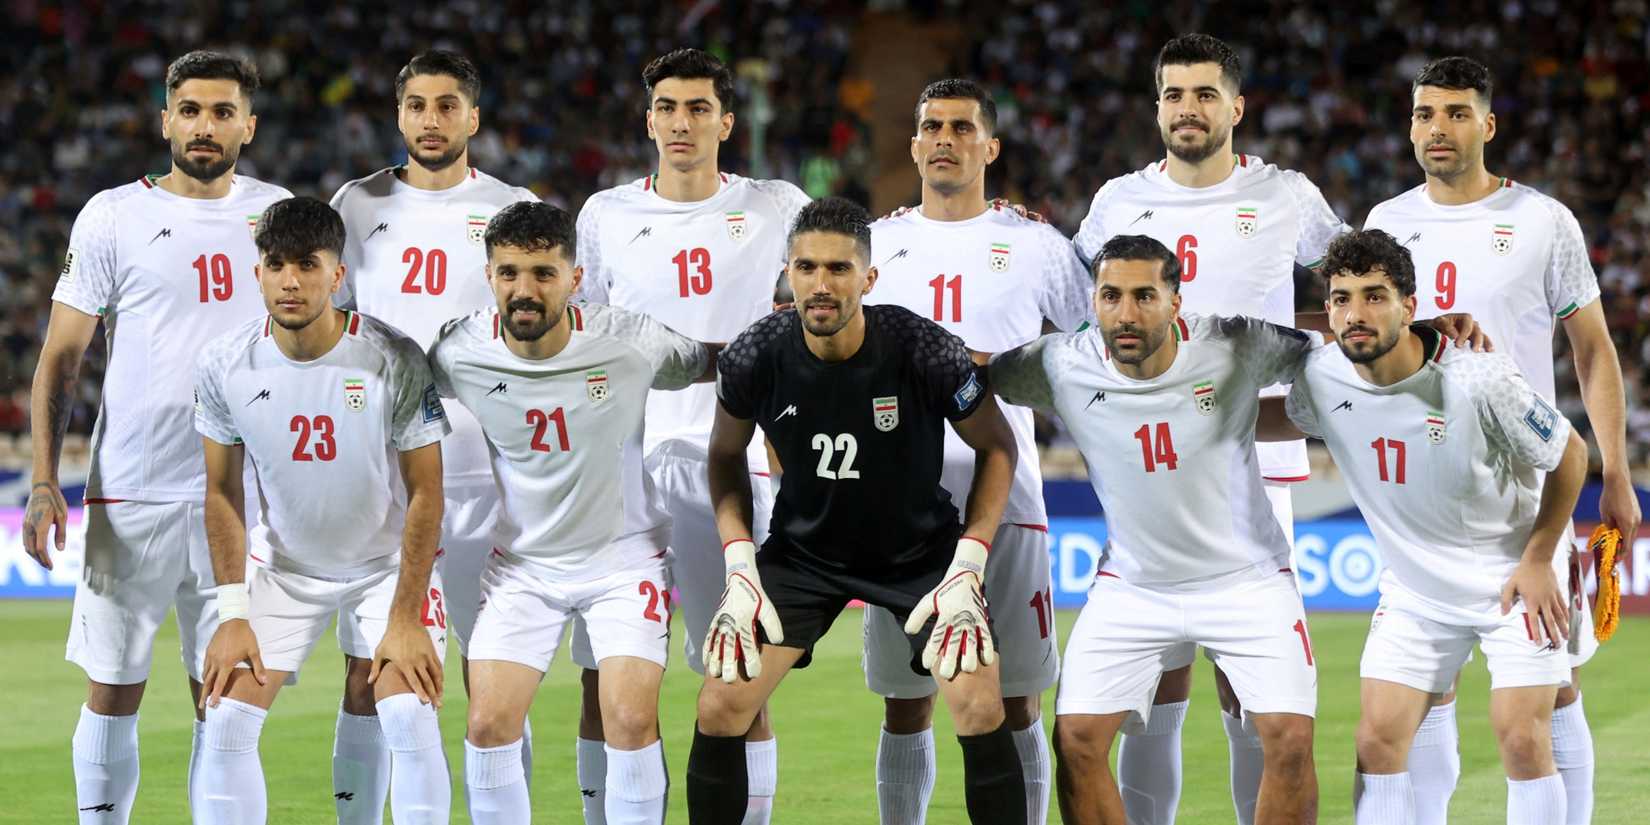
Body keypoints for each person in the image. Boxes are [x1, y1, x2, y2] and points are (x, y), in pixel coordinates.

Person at [1071, 34, 1348, 825]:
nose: (1187, 109)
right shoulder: (1118, 201)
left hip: (1255, 461)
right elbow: (1079, 311)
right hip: (1146, 466)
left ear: (1236, 106)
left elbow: (1353, 291)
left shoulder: (1287, 194)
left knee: (1251, 689)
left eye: (1203, 94)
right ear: (1156, 105)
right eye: (1172, 94)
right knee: (1152, 679)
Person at [686, 198, 1026, 825]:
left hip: (921, 557)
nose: (821, 284)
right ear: (788, 272)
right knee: (720, 705)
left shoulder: (923, 349)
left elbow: (997, 446)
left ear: (868, 279)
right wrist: (739, 565)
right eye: (807, 267)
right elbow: (724, 457)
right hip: (802, 557)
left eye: (839, 269)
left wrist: (968, 565)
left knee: (979, 702)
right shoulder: (752, 357)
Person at [1363, 56, 1639, 825]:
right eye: (1423, 113)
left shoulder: (1542, 220)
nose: (1436, 128)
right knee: (1425, 695)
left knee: (1551, 694)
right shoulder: (1386, 221)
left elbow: (1592, 350)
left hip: (1526, 494)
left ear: (1488, 124)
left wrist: (1615, 471)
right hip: (1419, 491)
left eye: (1455, 113)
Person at [21, 50, 291, 824]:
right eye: (192, 109)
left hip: (240, 497)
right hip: (130, 489)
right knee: (111, 689)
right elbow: (60, 359)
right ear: (165, 118)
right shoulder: (113, 214)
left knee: (230, 705)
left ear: (249, 125)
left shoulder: (280, 215)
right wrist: (46, 480)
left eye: (223, 111)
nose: (206, 125)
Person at [990, 234, 1319, 825]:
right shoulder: (1061, 362)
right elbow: (973, 374)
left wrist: (1429, 333)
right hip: (1133, 587)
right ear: (1092, 300)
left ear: (1175, 299)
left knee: (1289, 739)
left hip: (1247, 582)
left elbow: (1336, 352)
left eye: (1145, 296)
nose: (1126, 314)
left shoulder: (1233, 344)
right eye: (1110, 296)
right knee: (1078, 741)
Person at [1272, 228, 1587, 824]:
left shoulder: (1479, 378)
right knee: (1377, 741)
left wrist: (1541, 557)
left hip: (1513, 576)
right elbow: (1283, 419)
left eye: (1374, 296)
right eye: (1341, 298)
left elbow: (1570, 453)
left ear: (1410, 307)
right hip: (1417, 590)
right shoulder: (1321, 375)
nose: (1354, 314)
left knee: (1521, 737)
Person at [572, 47, 809, 824]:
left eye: (698, 108)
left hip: (732, 470)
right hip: (625, 474)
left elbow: (852, 263)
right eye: (668, 108)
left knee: (739, 677)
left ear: (727, 121)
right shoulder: (606, 215)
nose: (681, 122)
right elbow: (587, 339)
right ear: (648, 120)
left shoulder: (775, 204)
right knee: (602, 681)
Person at [428, 201, 717, 825]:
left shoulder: (629, 341)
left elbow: (712, 361)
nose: (523, 291)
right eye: (508, 274)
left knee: (631, 718)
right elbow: (396, 385)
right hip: (521, 566)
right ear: (490, 276)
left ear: (575, 277)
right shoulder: (459, 350)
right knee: (486, 721)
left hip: (623, 560)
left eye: (542, 273)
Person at [861, 77, 1092, 825]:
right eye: (932, 125)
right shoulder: (878, 244)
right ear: (914, 142)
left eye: (962, 127)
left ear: (990, 147)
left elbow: (1095, 352)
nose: (945, 139)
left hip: (1011, 498)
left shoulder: (1038, 246)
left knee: (1019, 697)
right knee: (907, 701)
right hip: (898, 507)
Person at [191, 196, 452, 824]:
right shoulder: (223, 364)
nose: (290, 280)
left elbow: (427, 492)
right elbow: (222, 493)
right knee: (223, 718)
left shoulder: (394, 357)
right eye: (275, 263)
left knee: (408, 713)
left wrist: (407, 612)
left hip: (384, 567)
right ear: (256, 272)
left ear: (338, 276)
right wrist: (231, 613)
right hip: (283, 568)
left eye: (307, 264)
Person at [328, 49, 538, 820]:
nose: (431, 119)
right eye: (416, 104)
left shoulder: (514, 207)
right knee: (370, 672)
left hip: (490, 473)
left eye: (447, 105)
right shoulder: (355, 206)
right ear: (398, 114)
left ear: (473, 117)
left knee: (496, 685)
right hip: (383, 480)